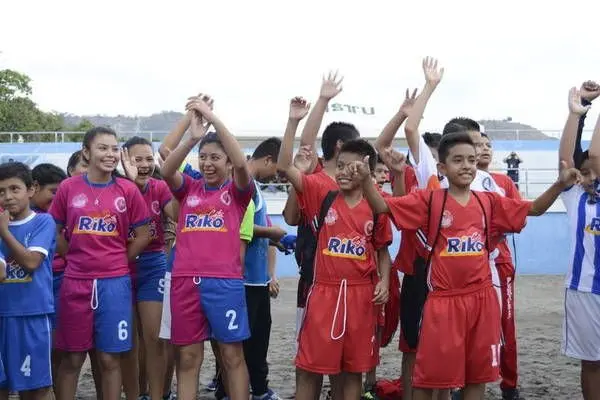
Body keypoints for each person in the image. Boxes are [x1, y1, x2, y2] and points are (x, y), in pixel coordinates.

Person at [357, 131, 580, 400]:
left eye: (471, 160)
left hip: (482, 301)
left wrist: (559, 184)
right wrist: (366, 181)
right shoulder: (430, 200)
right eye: (458, 160)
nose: (466, 166)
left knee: (477, 376)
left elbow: (533, 209)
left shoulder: (489, 202)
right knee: (428, 379)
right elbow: (382, 206)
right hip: (443, 303)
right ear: (442, 168)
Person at [279, 135, 393, 400]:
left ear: (367, 170)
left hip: (361, 297)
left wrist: (385, 281)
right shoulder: (323, 196)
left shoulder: (376, 206)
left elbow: (382, 251)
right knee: (310, 367)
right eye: (340, 166)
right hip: (323, 294)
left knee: (352, 373)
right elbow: (284, 167)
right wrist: (293, 122)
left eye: (351, 167)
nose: (342, 172)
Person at [160, 94, 253, 400]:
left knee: (231, 356)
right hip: (184, 281)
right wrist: (192, 138)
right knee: (187, 358)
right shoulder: (189, 188)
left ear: (227, 161)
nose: (208, 164)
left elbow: (242, 163)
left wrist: (212, 118)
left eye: (215, 157)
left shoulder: (238, 192)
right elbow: (166, 170)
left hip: (224, 283)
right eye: (204, 157)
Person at [49, 127, 151, 400]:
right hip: (75, 282)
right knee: (72, 358)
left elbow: (144, 234)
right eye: (102, 148)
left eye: (114, 148)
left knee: (109, 359)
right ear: (86, 152)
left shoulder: (127, 190)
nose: (110, 154)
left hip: (115, 285)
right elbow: (54, 230)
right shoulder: (69, 188)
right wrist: (72, 256)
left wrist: (118, 260)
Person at [280, 74, 352, 399]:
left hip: (349, 287)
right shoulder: (316, 176)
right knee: (308, 362)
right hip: (313, 280)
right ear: (340, 147)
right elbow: (306, 145)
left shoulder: (359, 185)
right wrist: (322, 101)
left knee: (344, 364)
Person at [119, 136, 177, 400]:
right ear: (124, 159)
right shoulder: (116, 188)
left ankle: (156, 395)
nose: (144, 165)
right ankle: (134, 394)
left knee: (155, 338)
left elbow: (177, 213)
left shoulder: (160, 187)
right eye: (137, 159)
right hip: (121, 265)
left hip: (153, 265)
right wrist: (132, 184)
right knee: (128, 342)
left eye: (148, 159)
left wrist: (175, 178)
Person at [0, 162, 57, 400]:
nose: (8, 196)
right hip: (2, 313)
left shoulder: (43, 222)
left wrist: (4, 232)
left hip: (32, 314)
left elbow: (32, 262)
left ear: (31, 189)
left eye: (14, 189)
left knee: (35, 387)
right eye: (1, 191)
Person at [558, 84, 600, 399]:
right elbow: (566, 158)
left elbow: (595, 155)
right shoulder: (576, 196)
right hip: (584, 290)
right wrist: (576, 113)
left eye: (592, 172)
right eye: (582, 172)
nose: (587, 177)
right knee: (593, 362)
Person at [477, 133, 523, 399]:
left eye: (488, 145)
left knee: (506, 325)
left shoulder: (503, 182)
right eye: (478, 145)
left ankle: (509, 384)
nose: (484, 149)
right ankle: (465, 383)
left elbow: (517, 218)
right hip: (466, 264)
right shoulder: (454, 183)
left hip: (499, 262)